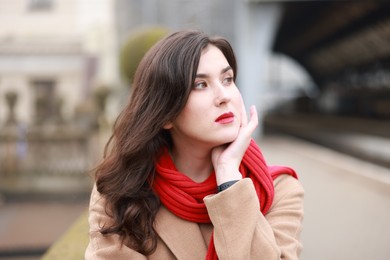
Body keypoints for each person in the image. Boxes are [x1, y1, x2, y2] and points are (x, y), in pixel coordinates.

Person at [85, 30, 304, 260]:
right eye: (200, 84)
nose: (223, 96)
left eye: (227, 79)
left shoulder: (279, 190)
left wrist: (229, 179)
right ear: (166, 115)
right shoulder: (119, 193)